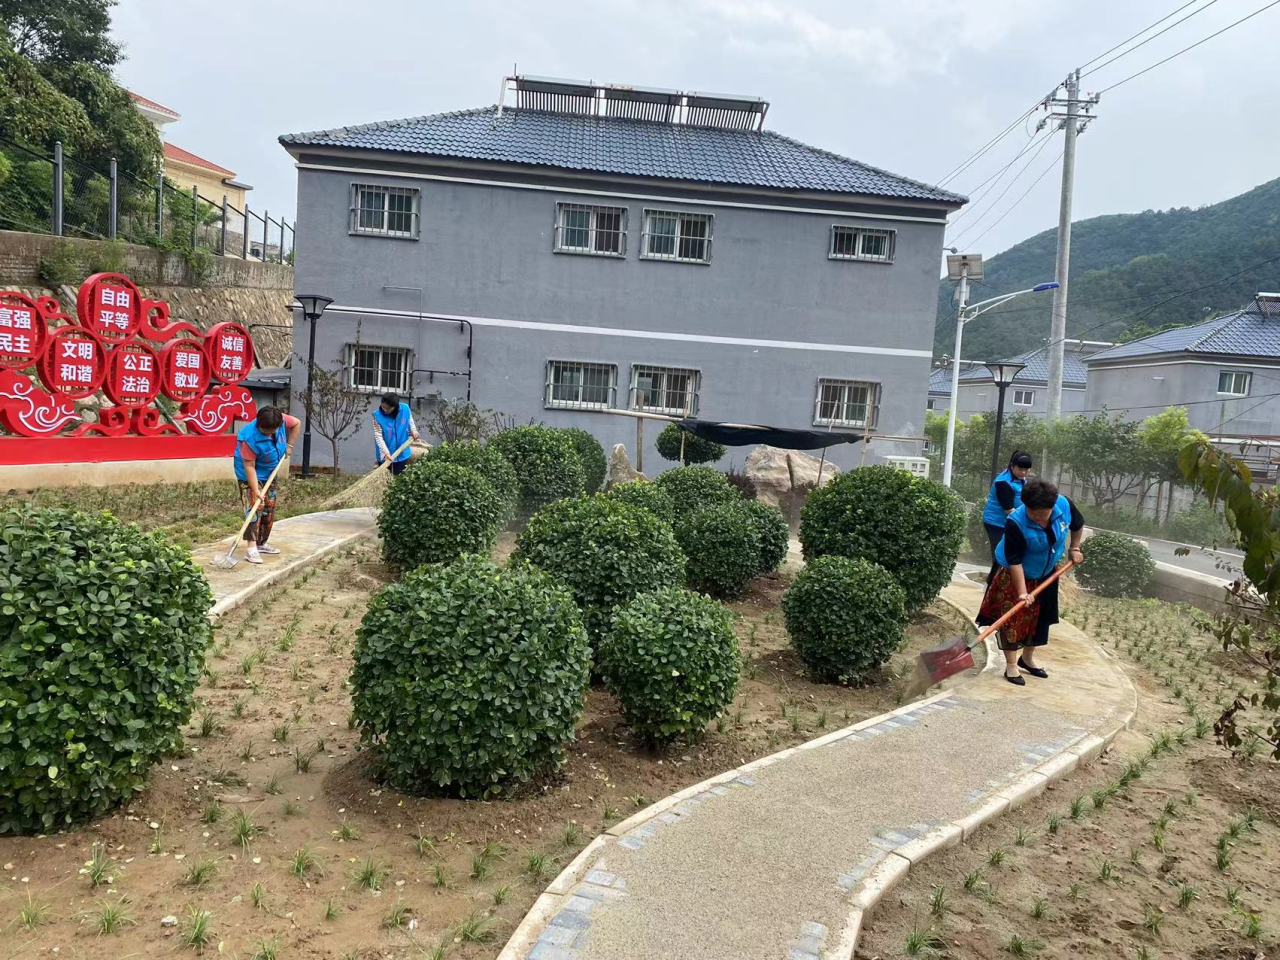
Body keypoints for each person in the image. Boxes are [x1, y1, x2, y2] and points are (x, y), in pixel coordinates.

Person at [977, 477, 1085, 685]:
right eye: (1031, 512)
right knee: (1012, 618)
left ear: (1052, 506)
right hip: (1014, 573)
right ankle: (1011, 665)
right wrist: (1021, 592)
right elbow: (1014, 561)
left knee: (1040, 618)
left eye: (1041, 513)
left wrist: (1075, 548)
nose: (1036, 517)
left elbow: (1078, 524)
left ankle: (1027, 658)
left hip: (1046, 572)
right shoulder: (1016, 522)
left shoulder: (1063, 504)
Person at [233, 405, 301, 564]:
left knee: (268, 507)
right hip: (250, 475)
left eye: (273, 430)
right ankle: (251, 549)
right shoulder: (249, 438)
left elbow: (296, 423)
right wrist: (256, 489)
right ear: (259, 423)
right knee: (254, 508)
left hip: (270, 473)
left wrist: (289, 446)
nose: (270, 434)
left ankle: (261, 543)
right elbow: (249, 466)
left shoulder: (279, 420)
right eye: (266, 431)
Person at [982, 451, 1034, 557]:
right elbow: (1009, 509)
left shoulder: (1020, 478)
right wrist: (1029, 519)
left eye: (1026, 470)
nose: (1023, 473)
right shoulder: (1003, 483)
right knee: (1000, 555)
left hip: (1011, 522)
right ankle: (997, 568)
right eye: (1020, 469)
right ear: (1012, 466)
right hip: (996, 523)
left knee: (1012, 554)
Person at [372, 392, 419, 477]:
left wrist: (413, 430)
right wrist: (386, 453)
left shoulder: (405, 408)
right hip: (386, 455)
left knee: (398, 477)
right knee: (386, 478)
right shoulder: (377, 416)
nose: (385, 410)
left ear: (395, 406)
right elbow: (378, 437)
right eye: (383, 406)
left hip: (402, 452)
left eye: (388, 408)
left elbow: (409, 419)